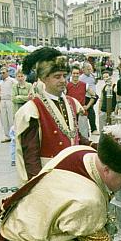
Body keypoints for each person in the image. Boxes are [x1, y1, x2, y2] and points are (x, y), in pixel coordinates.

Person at [14, 47, 89, 184]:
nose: (63, 80)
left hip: (73, 173)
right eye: (57, 77)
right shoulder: (32, 110)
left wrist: (97, 146)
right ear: (44, 78)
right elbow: (31, 155)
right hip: (49, 175)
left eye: (64, 76)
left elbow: (75, 136)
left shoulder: (72, 103)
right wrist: (37, 184)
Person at [66, 67, 90, 138]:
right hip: (71, 112)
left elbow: (94, 96)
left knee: (83, 134)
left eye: (77, 73)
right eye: (74, 73)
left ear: (79, 74)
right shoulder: (67, 86)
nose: (75, 75)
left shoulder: (84, 85)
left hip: (81, 112)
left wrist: (87, 106)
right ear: (71, 74)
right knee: (72, 135)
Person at [79, 62, 98, 133]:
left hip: (93, 96)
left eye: (90, 69)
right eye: (88, 69)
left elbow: (94, 83)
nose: (89, 70)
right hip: (86, 97)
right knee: (91, 112)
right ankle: (93, 129)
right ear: (83, 69)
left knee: (91, 111)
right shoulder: (81, 78)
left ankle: (93, 128)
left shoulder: (92, 76)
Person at [0, 67, 15, 143]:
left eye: (4, 73)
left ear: (7, 73)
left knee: (11, 118)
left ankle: (13, 135)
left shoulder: (12, 81)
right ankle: (7, 135)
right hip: (2, 100)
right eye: (1, 73)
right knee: (4, 119)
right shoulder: (0, 82)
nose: (2, 74)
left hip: (10, 100)